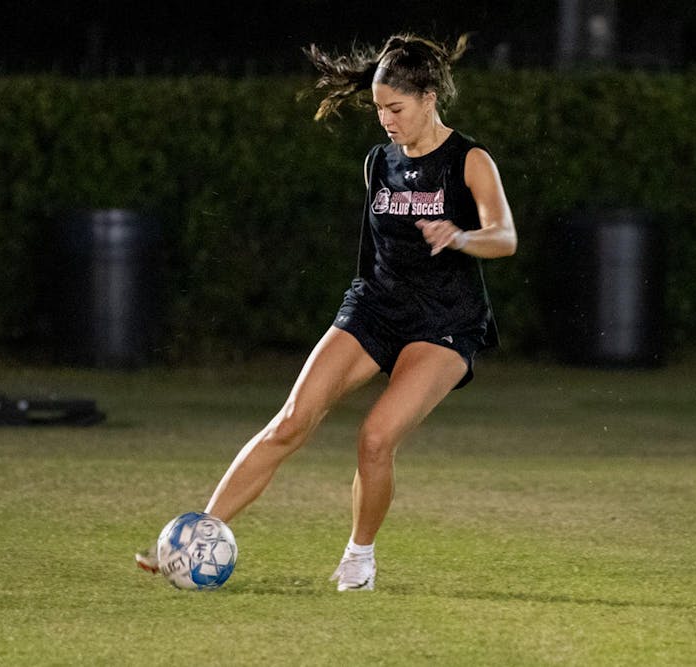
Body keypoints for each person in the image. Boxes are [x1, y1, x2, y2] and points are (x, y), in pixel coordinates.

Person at [137, 32, 516, 591]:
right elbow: (377, 252)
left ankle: (359, 558)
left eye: (396, 108)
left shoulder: (468, 159)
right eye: (379, 108)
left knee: (375, 438)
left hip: (444, 320)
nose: (385, 120)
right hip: (376, 307)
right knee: (290, 421)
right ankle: (197, 537)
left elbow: (504, 236)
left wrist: (460, 236)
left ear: (429, 97)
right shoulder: (378, 163)